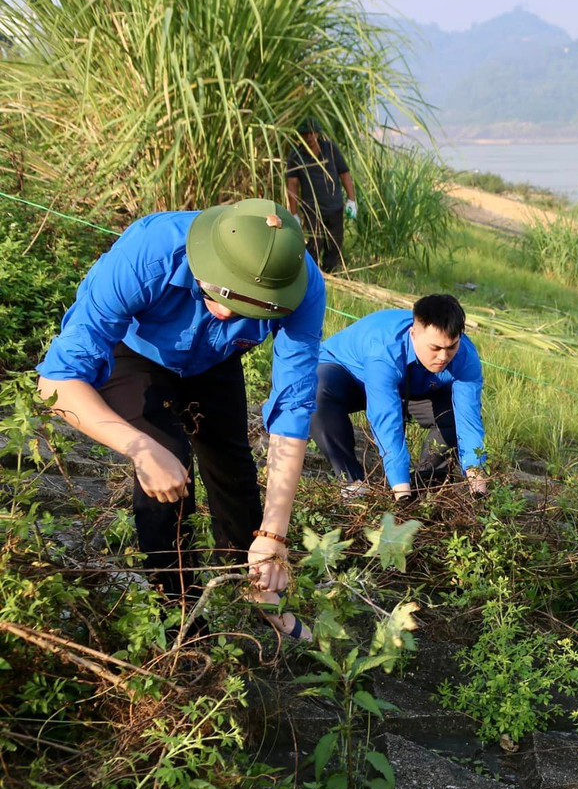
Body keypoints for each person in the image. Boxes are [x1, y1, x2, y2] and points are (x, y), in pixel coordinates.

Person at [36, 198, 326, 641]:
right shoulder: (149, 251)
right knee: (166, 469)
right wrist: (140, 447)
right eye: (220, 292)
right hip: (138, 351)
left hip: (216, 359)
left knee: (233, 468)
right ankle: (181, 620)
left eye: (249, 307)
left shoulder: (298, 283)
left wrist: (275, 535)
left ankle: (254, 591)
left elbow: (293, 407)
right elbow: (56, 381)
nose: (227, 312)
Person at [310, 294, 486, 500]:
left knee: (452, 413)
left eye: (451, 347)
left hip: (412, 387)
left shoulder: (466, 356)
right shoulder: (384, 348)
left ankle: (425, 485)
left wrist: (478, 485)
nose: (443, 357)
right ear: (413, 334)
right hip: (351, 377)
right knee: (315, 391)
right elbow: (386, 419)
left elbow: (469, 420)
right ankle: (353, 483)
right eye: (435, 348)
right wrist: (401, 493)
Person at [286, 116, 355, 274]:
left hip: (335, 206)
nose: (309, 137)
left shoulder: (330, 149)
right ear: (300, 136)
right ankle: (312, 275)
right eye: (305, 134)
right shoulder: (296, 156)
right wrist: (294, 214)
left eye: (312, 133)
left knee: (334, 244)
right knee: (314, 245)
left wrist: (352, 200)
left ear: (317, 133)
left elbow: (344, 174)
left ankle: (332, 274)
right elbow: (292, 185)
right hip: (312, 210)